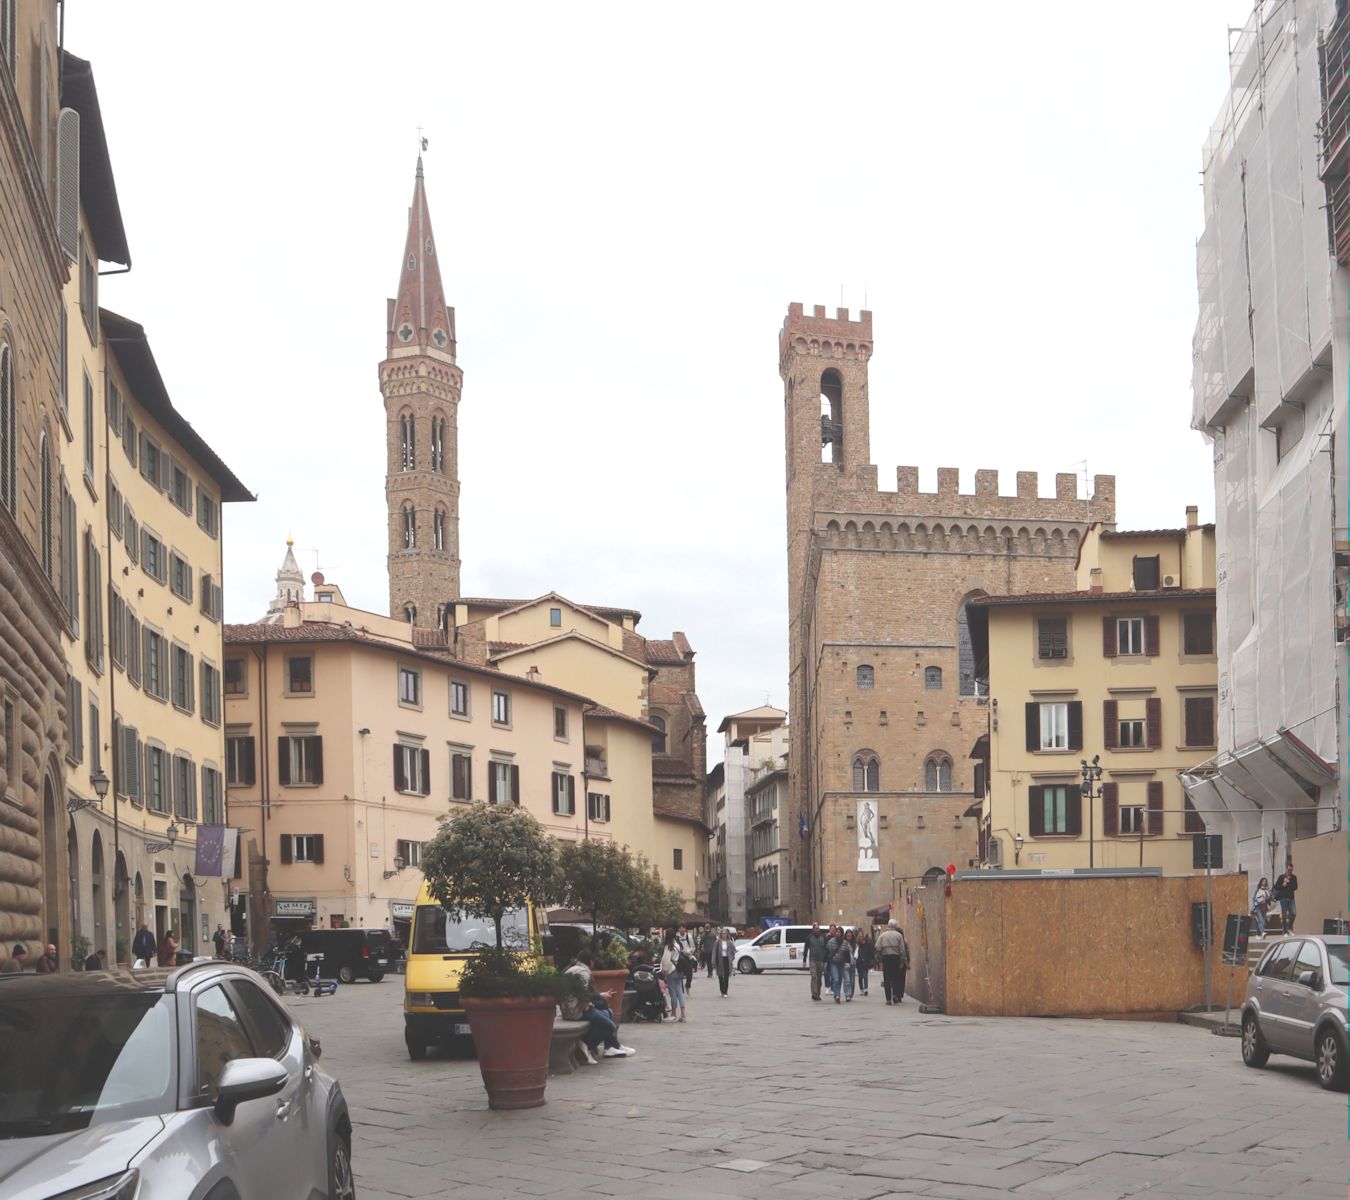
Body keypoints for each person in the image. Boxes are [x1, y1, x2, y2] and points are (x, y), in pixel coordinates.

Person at [563, 952, 636, 1062]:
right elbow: (582, 994)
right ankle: (588, 1044)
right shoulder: (583, 973)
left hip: (571, 1008)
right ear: (591, 962)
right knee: (610, 1025)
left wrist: (600, 996)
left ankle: (611, 1047)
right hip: (577, 1010)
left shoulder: (572, 969)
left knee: (608, 1012)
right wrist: (596, 1000)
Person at [877, 919, 907, 1005]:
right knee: (895, 977)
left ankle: (888, 999)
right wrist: (902, 961)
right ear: (896, 926)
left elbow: (878, 947)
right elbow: (902, 950)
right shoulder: (899, 936)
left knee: (887, 978)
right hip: (896, 958)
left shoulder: (883, 935)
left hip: (886, 958)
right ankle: (895, 995)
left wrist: (881, 957)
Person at [660, 930, 687, 1022]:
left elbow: (665, 960)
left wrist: (664, 971)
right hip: (679, 969)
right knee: (679, 991)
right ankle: (683, 1014)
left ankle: (673, 1013)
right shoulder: (677, 944)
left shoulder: (669, 946)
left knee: (672, 993)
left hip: (672, 970)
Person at [803, 922, 827, 1001]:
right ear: (813, 929)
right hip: (812, 960)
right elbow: (806, 949)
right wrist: (804, 960)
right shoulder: (809, 938)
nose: (817, 930)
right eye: (816, 928)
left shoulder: (822, 938)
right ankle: (814, 993)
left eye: (818, 928)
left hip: (820, 961)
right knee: (814, 976)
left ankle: (817, 994)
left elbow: (825, 950)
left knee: (819, 979)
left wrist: (824, 960)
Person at [830, 929, 856, 1003]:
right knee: (846, 980)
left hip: (852, 964)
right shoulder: (842, 943)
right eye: (847, 934)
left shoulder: (854, 944)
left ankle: (850, 994)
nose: (849, 935)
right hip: (844, 963)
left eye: (850, 934)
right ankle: (846, 995)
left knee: (852, 981)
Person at [1272, 862, 1298, 933]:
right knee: (1284, 915)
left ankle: (1289, 927)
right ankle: (1285, 931)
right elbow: (1276, 887)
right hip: (1283, 898)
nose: (1290, 871)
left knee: (1294, 913)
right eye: (1289, 869)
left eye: (1291, 870)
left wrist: (1289, 882)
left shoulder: (1294, 877)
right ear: (1286, 869)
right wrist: (1283, 885)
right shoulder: (1281, 877)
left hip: (1291, 898)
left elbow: (1295, 887)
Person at [712, 927, 736, 997]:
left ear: (727, 934)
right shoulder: (717, 942)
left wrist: (731, 957)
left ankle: (725, 992)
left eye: (725, 933)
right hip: (720, 960)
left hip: (727, 960)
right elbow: (714, 951)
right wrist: (713, 961)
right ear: (721, 934)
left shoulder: (730, 942)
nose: (724, 935)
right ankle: (722, 990)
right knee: (720, 976)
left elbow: (733, 950)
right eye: (722, 933)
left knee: (726, 976)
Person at [856, 932, 875, 997]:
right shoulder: (858, 946)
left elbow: (871, 953)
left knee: (865, 975)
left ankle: (866, 989)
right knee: (860, 977)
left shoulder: (868, 945)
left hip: (865, 963)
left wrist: (872, 961)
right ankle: (861, 989)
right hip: (859, 963)